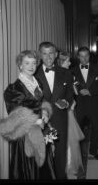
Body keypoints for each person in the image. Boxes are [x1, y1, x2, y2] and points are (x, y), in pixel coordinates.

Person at [2, 50, 55, 179]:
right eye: (27, 63)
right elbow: (15, 114)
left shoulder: (37, 82)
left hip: (41, 128)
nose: (31, 66)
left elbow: (40, 102)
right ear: (20, 65)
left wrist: (44, 113)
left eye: (34, 63)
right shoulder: (14, 88)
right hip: (25, 134)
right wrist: (36, 121)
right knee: (30, 168)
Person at [35, 42, 74, 179]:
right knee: (41, 152)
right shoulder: (33, 73)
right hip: (40, 119)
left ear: (56, 54)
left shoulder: (66, 73)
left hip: (60, 117)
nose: (48, 57)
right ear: (40, 55)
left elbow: (70, 92)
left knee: (60, 151)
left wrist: (67, 101)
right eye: (44, 53)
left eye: (51, 53)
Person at [72, 47, 98, 160]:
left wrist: (90, 91)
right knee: (76, 130)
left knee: (97, 130)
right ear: (78, 56)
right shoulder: (72, 70)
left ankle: (93, 150)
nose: (84, 58)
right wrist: (77, 89)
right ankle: (75, 153)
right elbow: (69, 85)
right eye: (81, 56)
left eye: (86, 55)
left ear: (90, 56)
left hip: (95, 103)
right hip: (79, 105)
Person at [57, 51, 85, 179]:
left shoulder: (69, 74)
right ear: (61, 62)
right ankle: (64, 166)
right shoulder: (58, 75)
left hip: (69, 110)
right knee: (66, 140)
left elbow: (75, 92)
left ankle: (69, 166)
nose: (70, 63)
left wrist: (75, 85)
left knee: (70, 141)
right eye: (67, 61)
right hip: (62, 112)